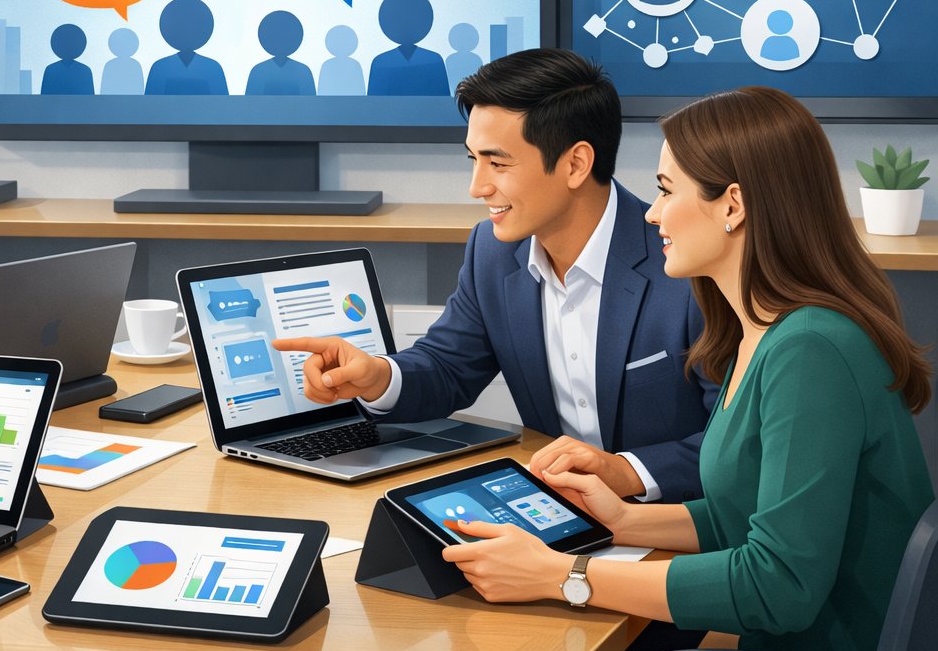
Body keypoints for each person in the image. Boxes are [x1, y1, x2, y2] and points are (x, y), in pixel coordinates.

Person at [437, 86, 934, 651]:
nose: (650, 213)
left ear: (733, 205)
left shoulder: (810, 351)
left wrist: (563, 575)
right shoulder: (757, 332)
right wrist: (619, 522)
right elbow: (744, 515)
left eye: (667, 190)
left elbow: (778, 586)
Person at [275, 48, 715, 503]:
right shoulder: (493, 250)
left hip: (677, 528)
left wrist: (624, 472)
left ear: (575, 164)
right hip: (555, 517)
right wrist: (377, 378)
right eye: (473, 159)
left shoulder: (685, 265)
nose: (477, 186)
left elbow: (737, 446)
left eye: (498, 163)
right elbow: (447, 367)